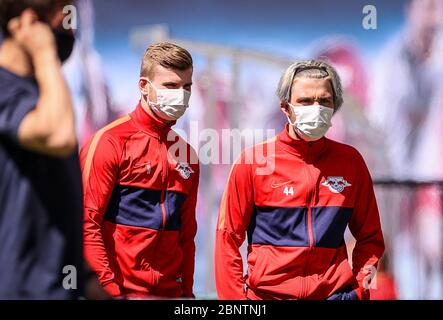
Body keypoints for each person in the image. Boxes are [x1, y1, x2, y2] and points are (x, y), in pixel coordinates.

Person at [215, 59, 385, 300]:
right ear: (285, 107)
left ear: (334, 105)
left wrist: (359, 291)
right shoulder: (253, 161)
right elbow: (227, 238)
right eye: (305, 101)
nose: (316, 108)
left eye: (324, 101)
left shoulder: (351, 162)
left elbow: (371, 239)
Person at [81, 42, 199, 299]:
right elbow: (87, 224)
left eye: (186, 87)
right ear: (144, 86)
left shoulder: (188, 155)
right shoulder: (108, 142)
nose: (180, 95)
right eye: (170, 86)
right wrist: (109, 292)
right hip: (122, 294)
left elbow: (186, 236)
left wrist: (187, 295)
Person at [0, 0, 84, 299]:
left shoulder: (46, 96)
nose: (70, 34)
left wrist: (84, 276)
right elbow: (58, 136)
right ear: (27, 23)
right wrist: (45, 54)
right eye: (64, 22)